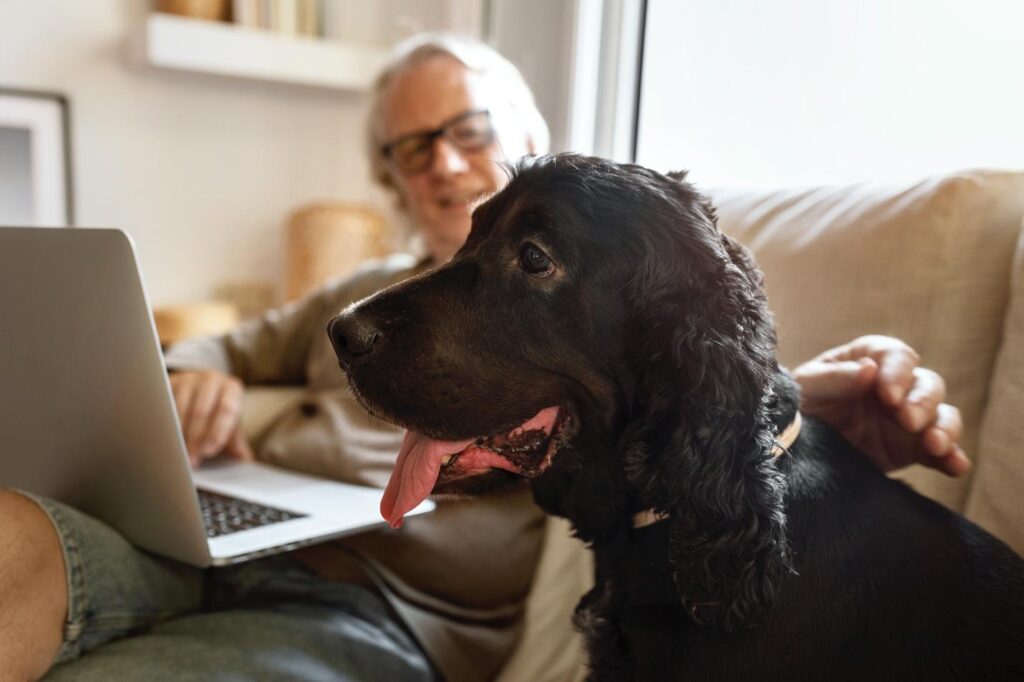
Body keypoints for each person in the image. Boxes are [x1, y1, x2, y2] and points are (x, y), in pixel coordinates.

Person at [0, 34, 968, 682]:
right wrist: (193, 369)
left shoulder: (599, 283)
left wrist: (798, 399)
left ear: (529, 138)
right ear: (393, 177)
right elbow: (217, 340)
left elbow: (666, 379)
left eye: (469, 130)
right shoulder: (363, 296)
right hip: (224, 541)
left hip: (379, 611)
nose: (443, 163)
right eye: (412, 149)